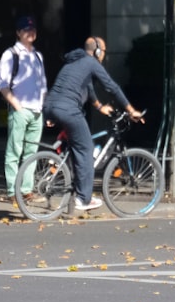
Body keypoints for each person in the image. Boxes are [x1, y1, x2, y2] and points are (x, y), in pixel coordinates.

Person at [42, 36, 144, 211]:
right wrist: (131, 110)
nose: (104, 55)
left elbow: (87, 88)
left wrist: (99, 107)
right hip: (68, 109)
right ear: (97, 51)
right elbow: (112, 87)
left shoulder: (73, 63)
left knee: (76, 147)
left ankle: (73, 190)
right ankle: (84, 198)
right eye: (103, 51)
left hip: (51, 107)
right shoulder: (91, 62)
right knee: (86, 148)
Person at [0, 15, 47, 206]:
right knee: (14, 151)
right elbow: (2, 84)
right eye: (26, 29)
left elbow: (42, 85)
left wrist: (43, 105)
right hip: (20, 110)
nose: (30, 33)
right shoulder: (11, 54)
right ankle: (12, 190)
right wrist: (16, 105)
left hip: (36, 111)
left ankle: (26, 190)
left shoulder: (37, 56)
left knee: (31, 153)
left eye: (33, 29)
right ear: (18, 33)